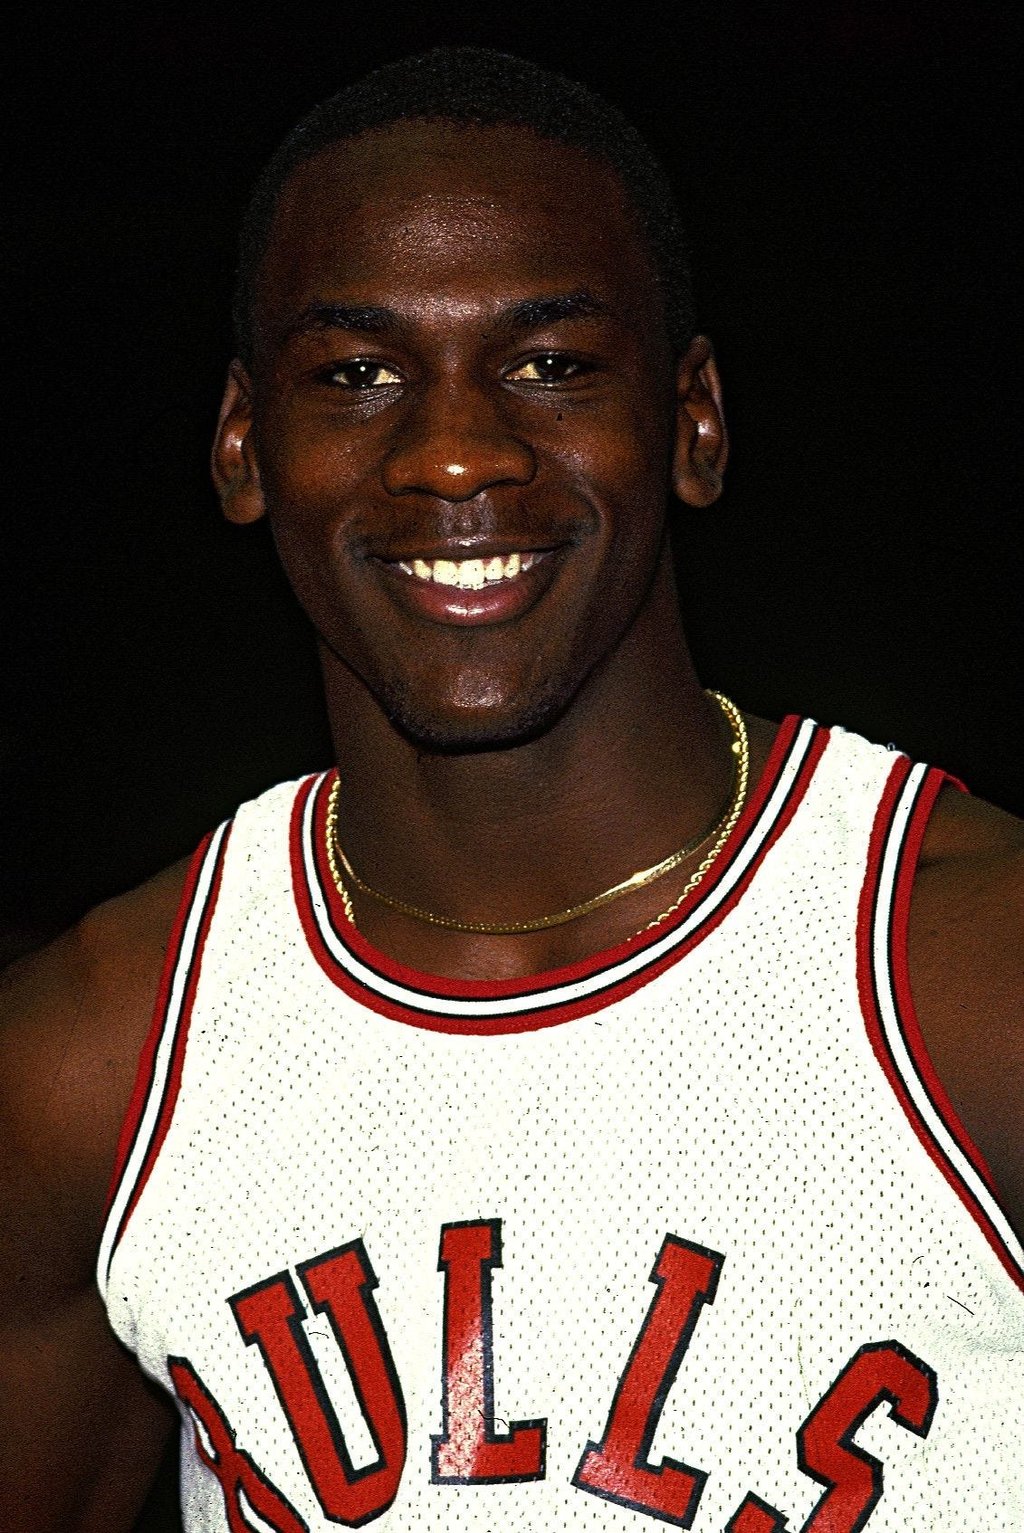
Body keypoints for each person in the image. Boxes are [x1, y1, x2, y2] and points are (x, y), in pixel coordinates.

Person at [1, 46, 1021, 1533]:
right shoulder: (95, 1069)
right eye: (357, 374)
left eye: (549, 366)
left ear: (694, 422)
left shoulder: (968, 976)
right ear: (241, 446)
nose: (459, 449)